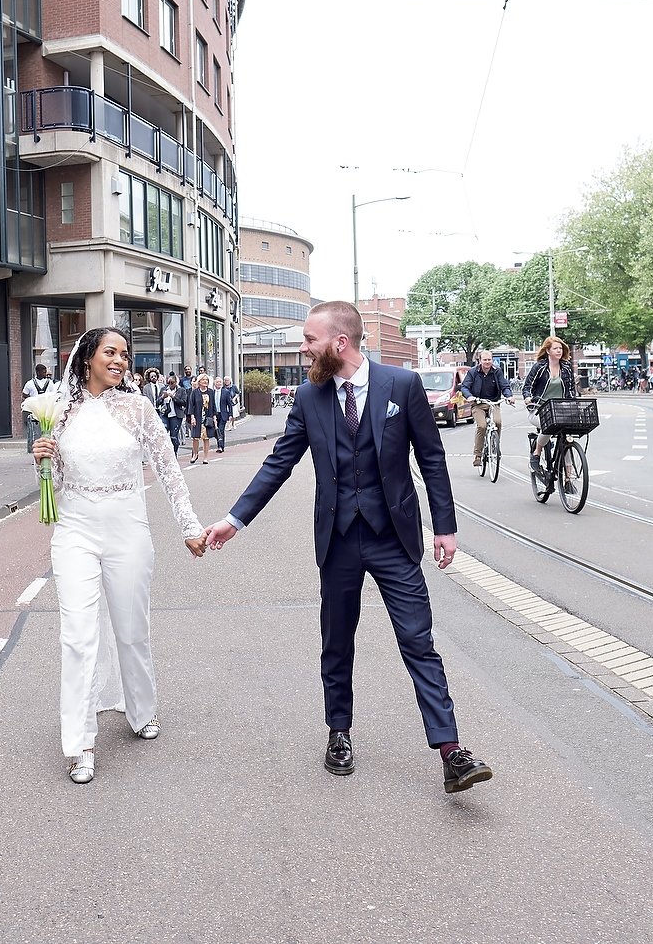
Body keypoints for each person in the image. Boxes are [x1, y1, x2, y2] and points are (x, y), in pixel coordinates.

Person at [201, 302, 491, 794]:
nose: (303, 347)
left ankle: (450, 751)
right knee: (337, 641)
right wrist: (235, 519)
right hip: (338, 540)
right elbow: (279, 463)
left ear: (340, 343)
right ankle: (339, 732)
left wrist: (444, 525)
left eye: (310, 340)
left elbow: (432, 459)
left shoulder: (401, 386)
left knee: (418, 640)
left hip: (393, 538)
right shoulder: (311, 397)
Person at [30, 328, 206, 784]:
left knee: (131, 630)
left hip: (128, 529)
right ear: (87, 358)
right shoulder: (59, 413)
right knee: (78, 635)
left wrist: (188, 525)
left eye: (125, 354)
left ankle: (141, 709)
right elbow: (58, 483)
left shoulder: (138, 409)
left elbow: (168, 469)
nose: (121, 361)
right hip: (74, 531)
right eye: (111, 352)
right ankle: (80, 743)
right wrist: (43, 461)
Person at [520, 336, 577, 475]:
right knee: (548, 426)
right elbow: (527, 386)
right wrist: (528, 397)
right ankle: (537, 453)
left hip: (559, 409)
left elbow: (570, 390)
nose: (559, 350)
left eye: (560, 348)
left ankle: (568, 478)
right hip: (539, 409)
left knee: (567, 437)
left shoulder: (566, 368)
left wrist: (573, 404)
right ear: (548, 351)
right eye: (555, 348)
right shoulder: (540, 367)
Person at [460, 349, 513, 466]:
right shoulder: (473, 372)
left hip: (493, 403)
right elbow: (464, 387)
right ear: (480, 360)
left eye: (489, 359)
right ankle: (478, 455)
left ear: (492, 360)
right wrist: (469, 396)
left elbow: (505, 385)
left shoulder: (497, 371)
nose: (487, 362)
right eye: (485, 359)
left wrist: (509, 396)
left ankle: (495, 445)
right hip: (478, 403)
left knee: (497, 422)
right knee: (482, 426)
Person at [185, 374, 218, 464]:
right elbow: (191, 405)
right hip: (197, 417)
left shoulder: (211, 392)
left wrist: (214, 417)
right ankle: (195, 454)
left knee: (206, 438)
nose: (205, 381)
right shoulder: (195, 392)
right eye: (203, 380)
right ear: (199, 382)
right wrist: (192, 417)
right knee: (196, 437)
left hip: (207, 418)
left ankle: (206, 457)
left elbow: (213, 405)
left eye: (206, 380)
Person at [22, 364, 55, 453]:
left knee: (46, 431)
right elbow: (24, 394)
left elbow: (54, 395)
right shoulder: (30, 383)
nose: (45, 374)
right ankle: (36, 451)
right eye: (43, 372)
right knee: (35, 433)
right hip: (35, 412)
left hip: (47, 411)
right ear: (38, 372)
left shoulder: (50, 383)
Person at [216, 375, 236, 452]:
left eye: (220, 382)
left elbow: (229, 404)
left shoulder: (225, 392)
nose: (219, 383)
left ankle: (220, 447)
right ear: (215, 383)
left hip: (223, 414)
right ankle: (220, 445)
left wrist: (230, 415)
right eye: (217, 382)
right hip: (215, 414)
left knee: (221, 430)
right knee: (216, 431)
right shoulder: (212, 392)